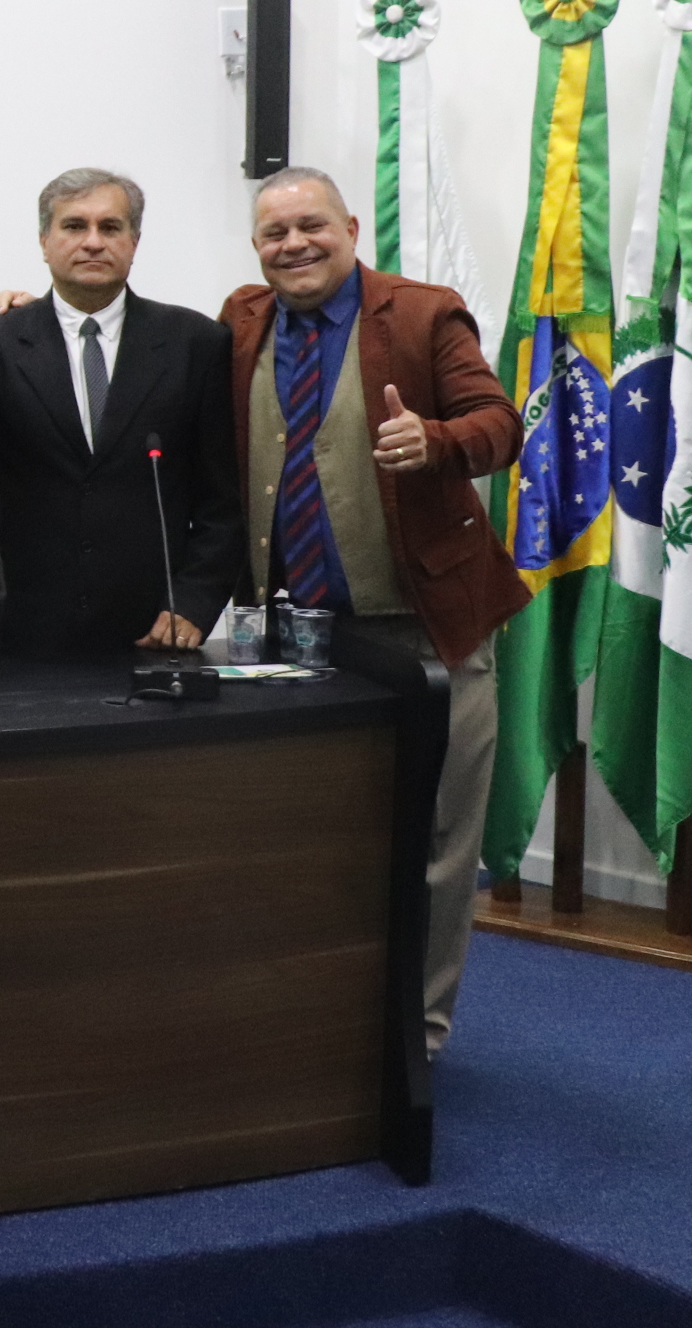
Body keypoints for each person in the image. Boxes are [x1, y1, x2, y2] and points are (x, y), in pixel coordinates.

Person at [223, 166, 526, 1057]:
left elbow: (499, 423)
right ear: (256, 249)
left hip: (428, 625)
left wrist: (433, 441)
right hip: (294, 638)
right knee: (306, 839)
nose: (295, 245)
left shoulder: (426, 313)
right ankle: (314, 1021)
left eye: (311, 225)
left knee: (435, 844)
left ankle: (415, 1037)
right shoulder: (241, 321)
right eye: (275, 233)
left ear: (351, 226)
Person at [0, 168, 239, 658]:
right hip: (16, 628)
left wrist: (194, 601)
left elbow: (222, 500)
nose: (92, 242)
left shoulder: (196, 343)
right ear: (44, 240)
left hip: (154, 626)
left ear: (134, 241)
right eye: (73, 226)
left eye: (110, 227)